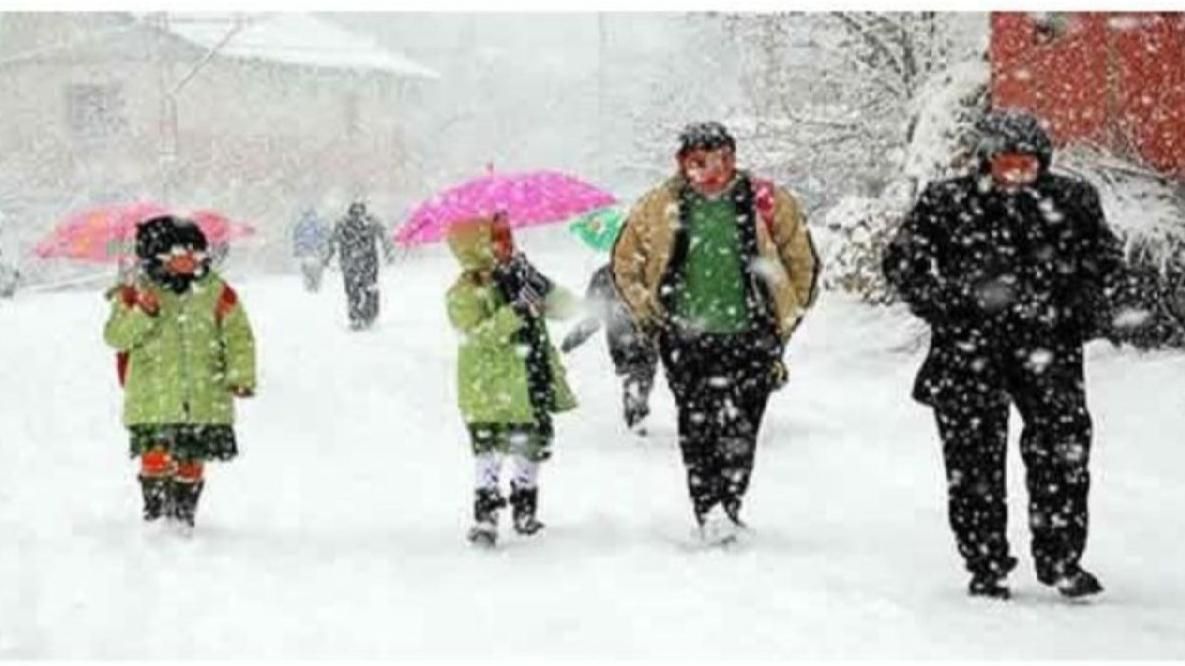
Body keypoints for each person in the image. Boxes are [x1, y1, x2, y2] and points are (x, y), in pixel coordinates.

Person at [882, 109, 1125, 600]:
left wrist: (1080, 306)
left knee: (1062, 455)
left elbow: (1106, 263)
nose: (1016, 173)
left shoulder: (1072, 200)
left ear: (1044, 162)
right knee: (973, 466)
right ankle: (985, 562)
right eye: (1006, 163)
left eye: (1027, 164)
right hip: (967, 352)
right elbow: (902, 261)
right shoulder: (947, 201)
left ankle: (1061, 559)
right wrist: (944, 303)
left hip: (1049, 350)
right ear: (985, 162)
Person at [612, 121, 820, 544]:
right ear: (682, 164)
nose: (713, 171)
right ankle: (709, 507)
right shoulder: (659, 205)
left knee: (744, 425)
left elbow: (802, 259)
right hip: (686, 337)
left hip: (751, 335)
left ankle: (731, 500)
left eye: (723, 159)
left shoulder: (767, 201)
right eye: (700, 162)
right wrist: (650, 311)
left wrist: (786, 316)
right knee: (697, 424)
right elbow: (625, 263)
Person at [103, 216, 257, 534]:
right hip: (152, 395)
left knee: (191, 457)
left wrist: (240, 375)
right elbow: (116, 337)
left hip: (204, 396)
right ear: (158, 255)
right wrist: (142, 312)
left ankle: (184, 514)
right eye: (181, 253)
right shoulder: (136, 291)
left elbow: (238, 335)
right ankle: (157, 513)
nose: (191, 260)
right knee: (155, 455)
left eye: (197, 253)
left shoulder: (216, 291)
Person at [445, 213, 578, 547]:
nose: (507, 244)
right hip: (490, 386)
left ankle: (525, 508)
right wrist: (515, 312)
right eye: (497, 238)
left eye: (509, 236)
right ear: (476, 248)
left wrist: (540, 284)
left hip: (530, 375)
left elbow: (565, 308)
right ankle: (485, 516)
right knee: (488, 451)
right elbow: (477, 335)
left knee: (529, 445)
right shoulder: (464, 292)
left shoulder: (520, 277)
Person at [561, 262, 658, 433]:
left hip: (619, 337)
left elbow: (593, 315)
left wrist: (576, 336)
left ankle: (635, 400)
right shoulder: (650, 270)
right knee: (643, 369)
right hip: (642, 334)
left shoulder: (604, 274)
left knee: (637, 368)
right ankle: (636, 403)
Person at [326, 200, 395, 329]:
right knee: (369, 288)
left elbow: (332, 241)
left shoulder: (343, 223)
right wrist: (388, 252)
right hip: (369, 262)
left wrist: (328, 257)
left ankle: (356, 316)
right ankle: (369, 315)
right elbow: (384, 236)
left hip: (350, 262)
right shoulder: (371, 221)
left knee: (352, 291)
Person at [292, 207, 330, 292]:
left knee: (306, 269)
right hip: (317, 251)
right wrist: (323, 249)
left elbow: (297, 237)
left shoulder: (301, 224)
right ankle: (316, 284)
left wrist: (297, 250)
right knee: (317, 270)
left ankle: (309, 284)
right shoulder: (320, 223)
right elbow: (324, 237)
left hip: (305, 251)